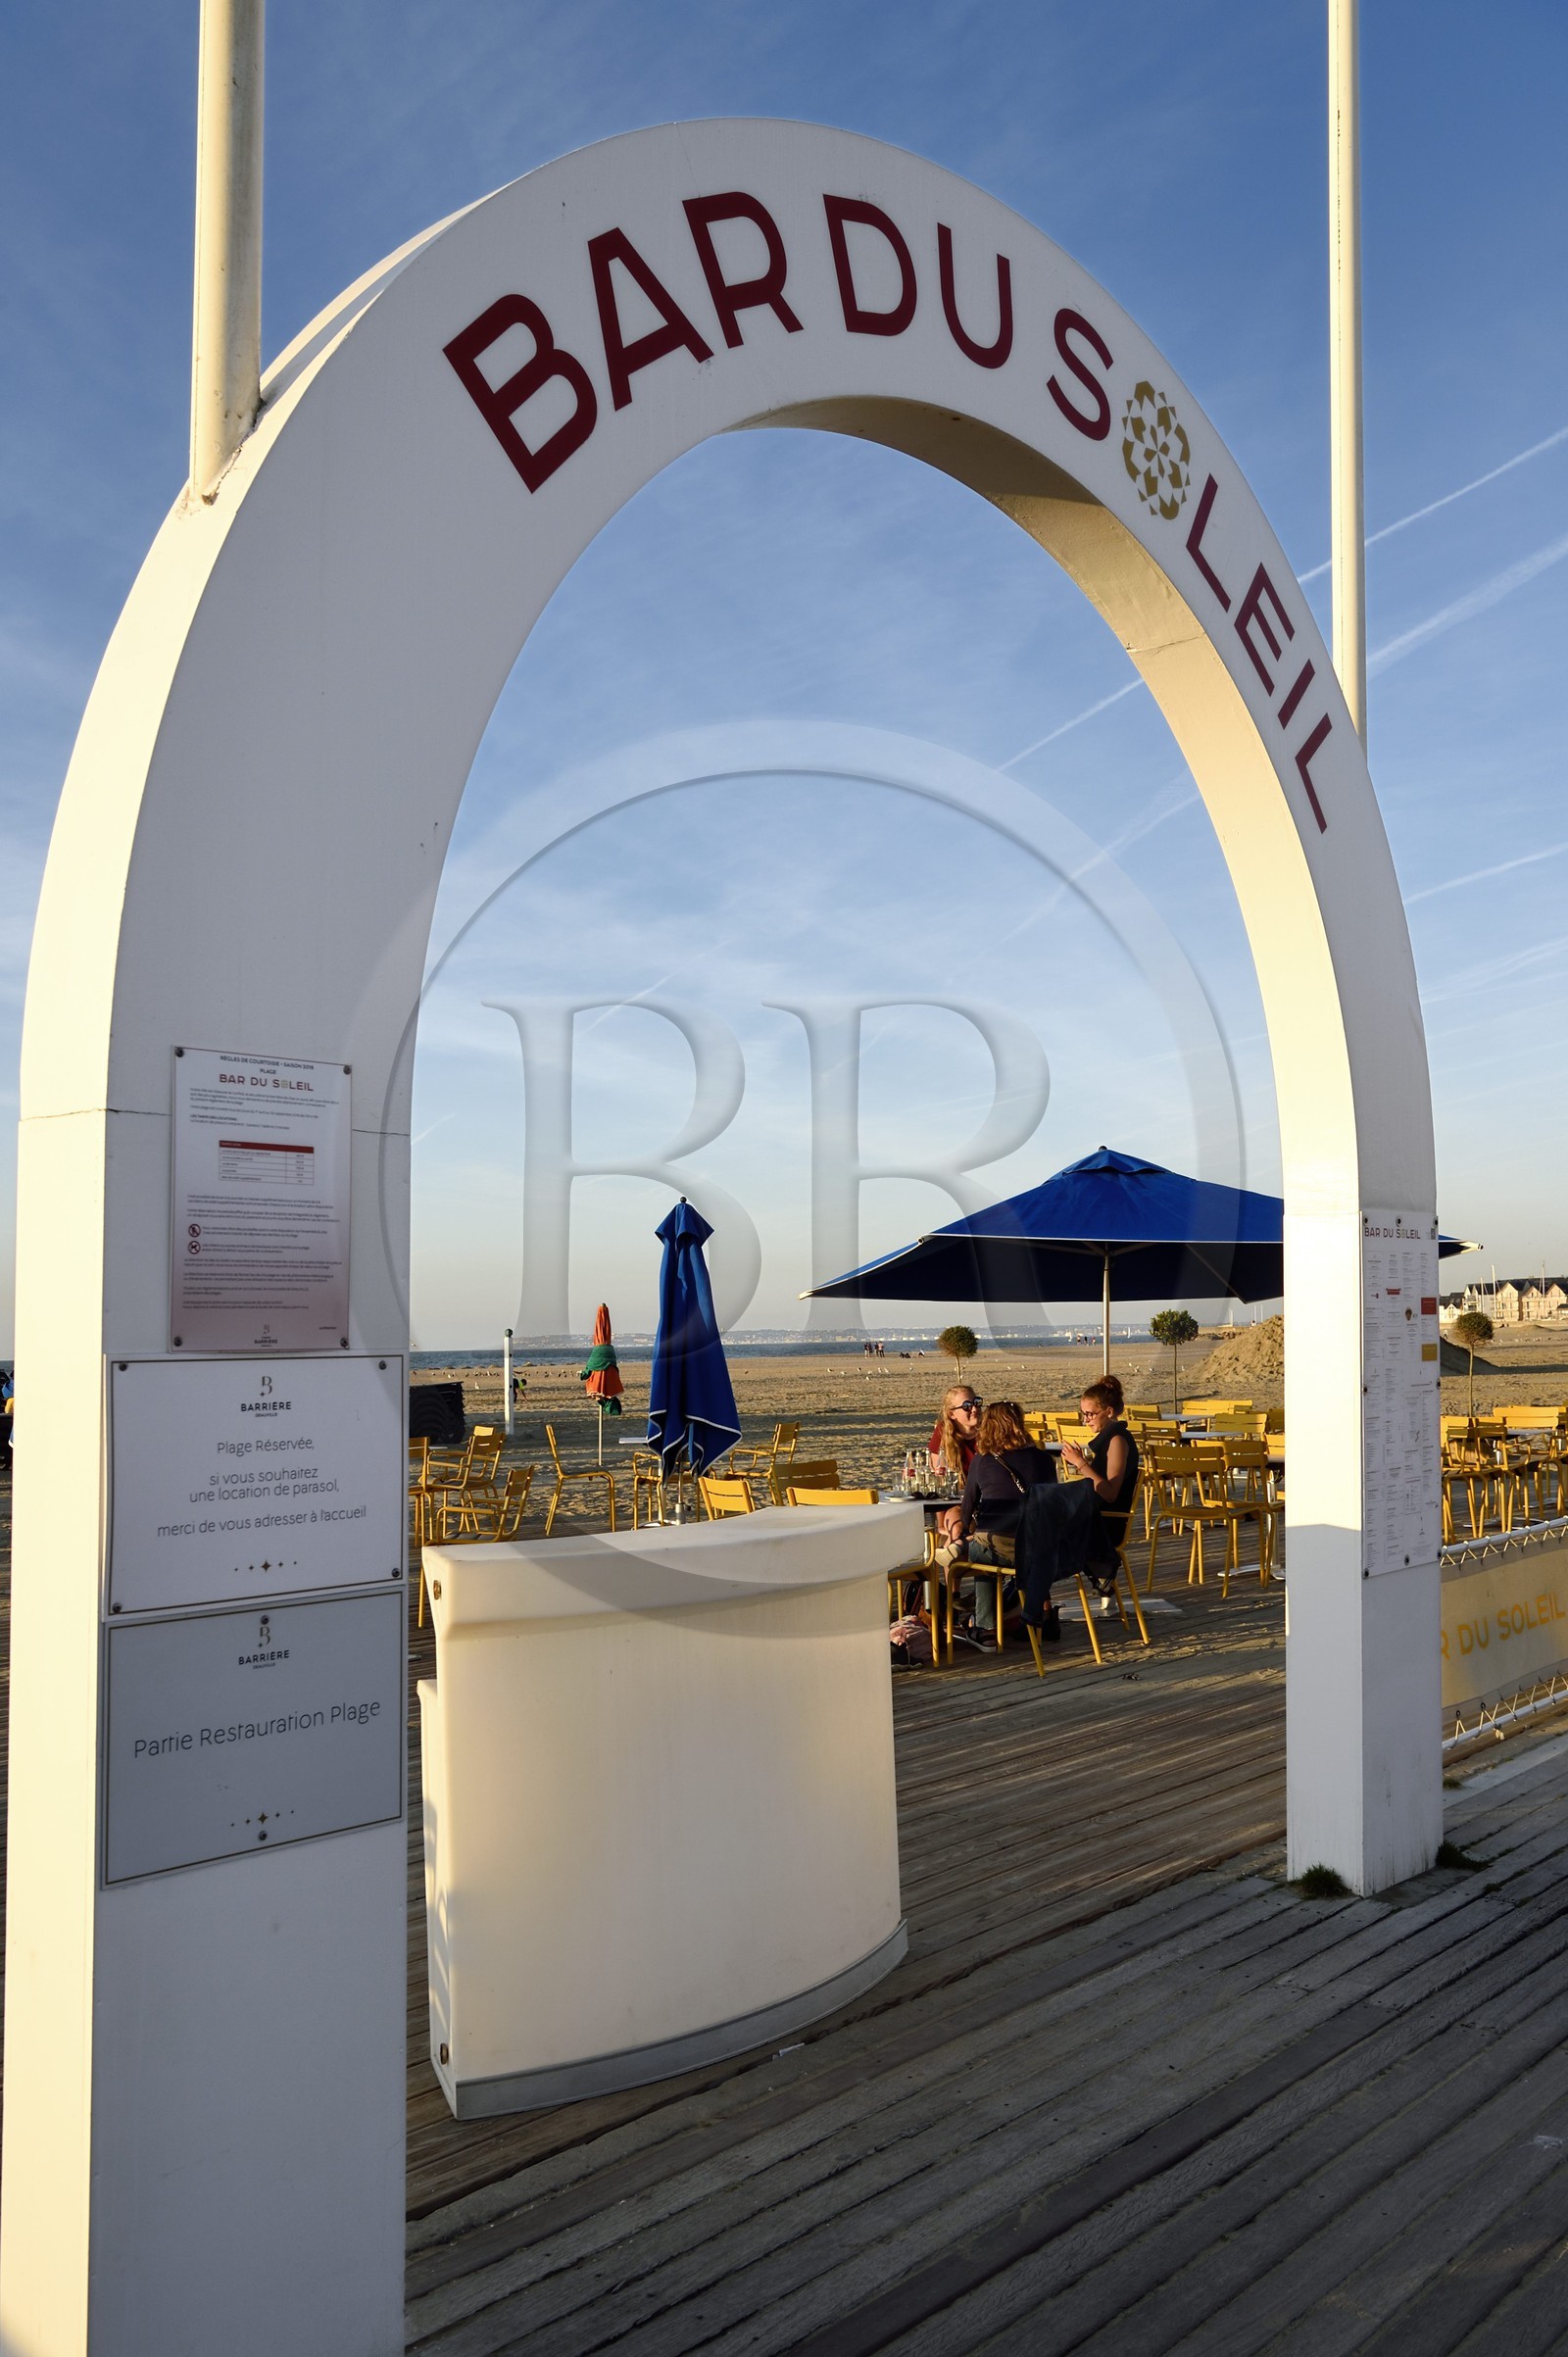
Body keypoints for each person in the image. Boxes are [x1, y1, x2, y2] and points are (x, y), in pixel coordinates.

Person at [1015, 1373, 1141, 1629]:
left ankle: (1034, 1612)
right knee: (1039, 1532)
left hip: (1106, 1525)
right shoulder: (1109, 1438)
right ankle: (1036, 1611)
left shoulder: (1117, 1440)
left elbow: (1110, 1493)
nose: (1086, 1420)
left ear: (1107, 1411)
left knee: (1038, 1537)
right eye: (1083, 1414)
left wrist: (1081, 1463)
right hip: (1093, 1519)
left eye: (1090, 1414)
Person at [939, 1400, 1055, 1643]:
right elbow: (1051, 1503)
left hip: (998, 1546)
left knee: (983, 1557)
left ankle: (985, 1628)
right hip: (1040, 1548)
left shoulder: (983, 1460)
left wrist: (966, 1532)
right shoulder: (1044, 1459)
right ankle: (1044, 1618)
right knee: (993, 1547)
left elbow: (968, 1506)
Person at [928, 1386, 982, 1481]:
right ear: (952, 1414)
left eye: (976, 1402)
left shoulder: (990, 1430)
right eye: (967, 1406)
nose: (974, 1409)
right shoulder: (943, 1432)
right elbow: (939, 1475)